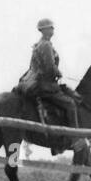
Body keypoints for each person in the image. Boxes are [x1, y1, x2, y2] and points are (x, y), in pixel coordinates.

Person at [19, 19, 86, 152]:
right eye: (50, 28)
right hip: (43, 85)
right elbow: (49, 67)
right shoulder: (46, 45)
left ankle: (58, 140)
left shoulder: (39, 45)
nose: (53, 30)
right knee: (70, 104)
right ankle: (75, 139)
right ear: (43, 30)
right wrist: (58, 72)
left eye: (52, 28)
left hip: (38, 82)